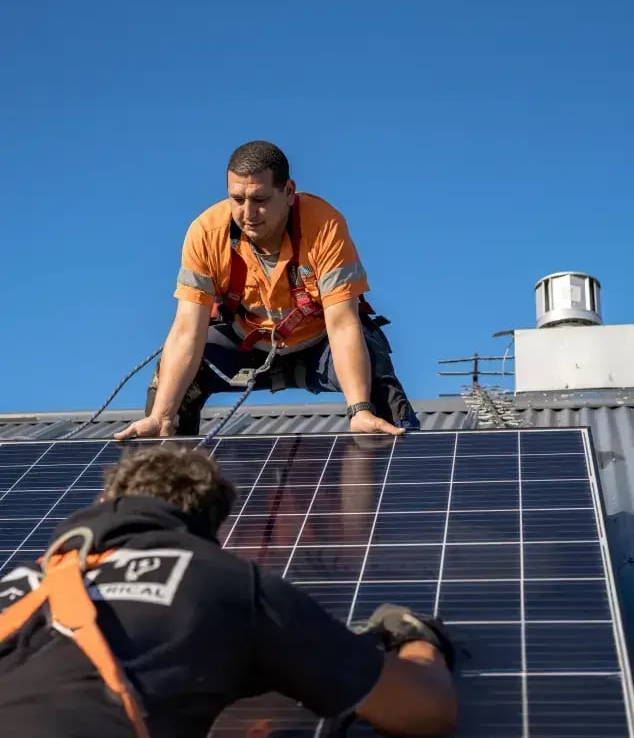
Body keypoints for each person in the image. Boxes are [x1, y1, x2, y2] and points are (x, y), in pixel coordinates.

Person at [0, 445, 457, 738]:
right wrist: (415, 640)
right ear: (212, 525)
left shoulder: (15, 585)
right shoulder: (226, 583)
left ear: (102, 504)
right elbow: (424, 711)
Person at [115, 140, 419, 442]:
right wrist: (161, 416)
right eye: (237, 199)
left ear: (288, 193)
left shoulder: (324, 226)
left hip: (321, 343)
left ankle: (388, 472)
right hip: (245, 343)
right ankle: (165, 477)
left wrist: (361, 410)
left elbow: (342, 324)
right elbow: (186, 331)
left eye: (259, 199)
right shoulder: (205, 234)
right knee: (171, 383)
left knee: (376, 388)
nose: (247, 213)